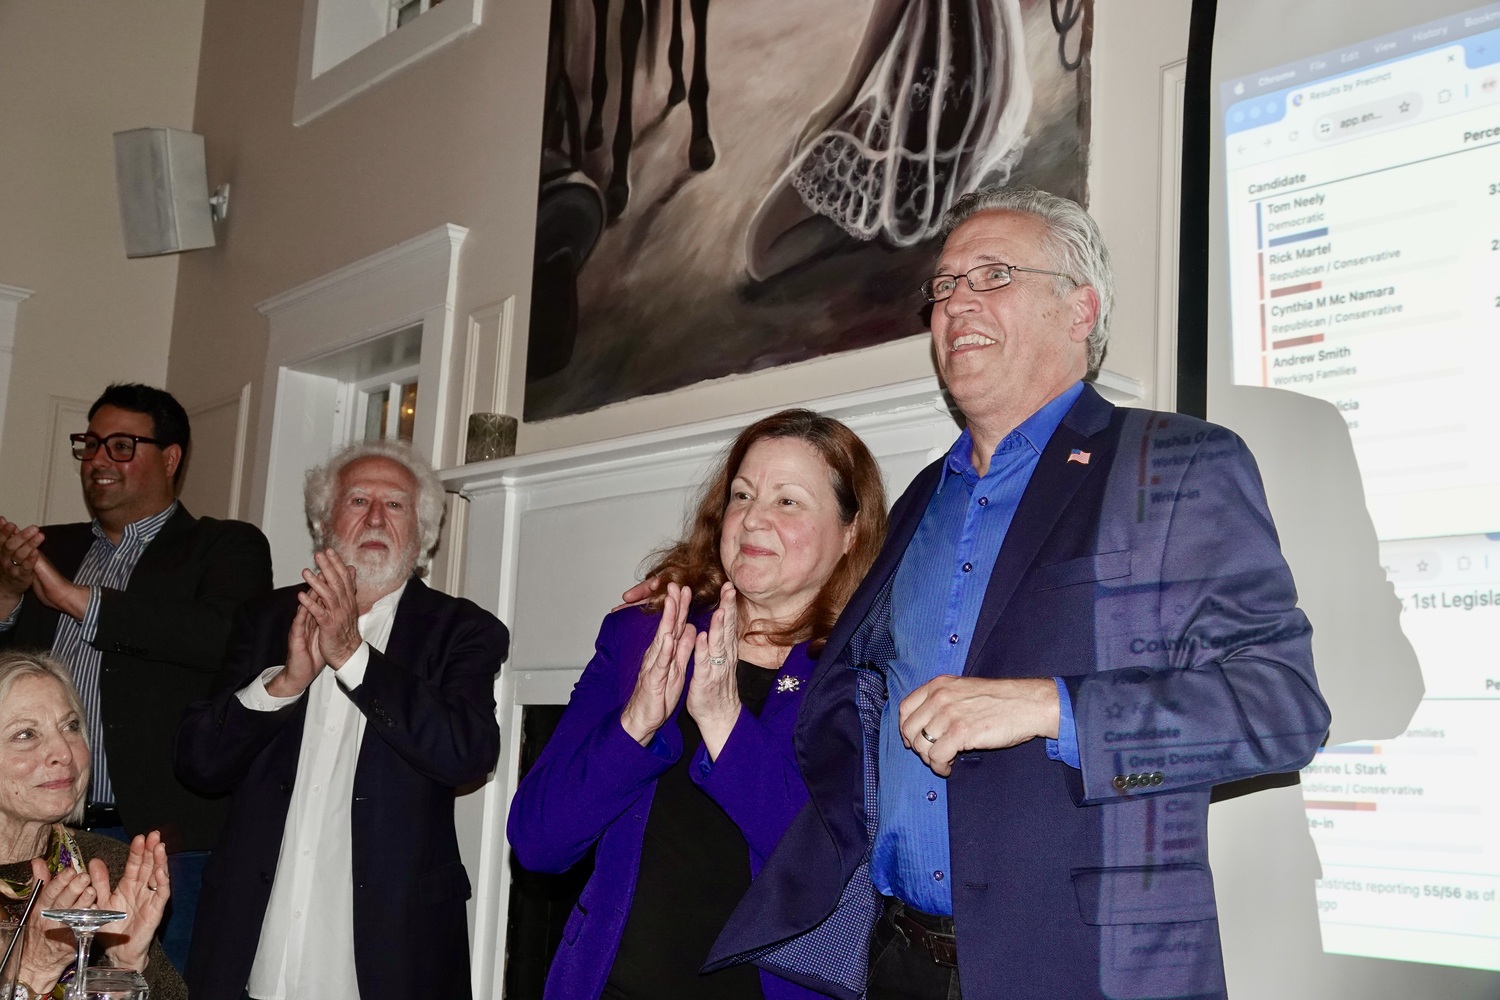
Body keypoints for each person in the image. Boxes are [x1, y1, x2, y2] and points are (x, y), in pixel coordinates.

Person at [706, 187, 1333, 1000]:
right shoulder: (922, 499)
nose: (956, 301)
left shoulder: (1175, 465)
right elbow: (849, 663)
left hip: (1079, 971)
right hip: (898, 962)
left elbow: (1281, 708)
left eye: (994, 275)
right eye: (944, 285)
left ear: (1080, 309)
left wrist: (1049, 707)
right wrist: (697, 585)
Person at [508, 409, 888, 1000]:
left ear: (851, 533)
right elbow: (538, 842)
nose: (754, 517)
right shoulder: (643, 636)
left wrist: (724, 723)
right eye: (743, 494)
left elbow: (829, 868)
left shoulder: (866, 674)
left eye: (788, 501)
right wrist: (634, 728)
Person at [175, 440, 509, 1000]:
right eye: (358, 500)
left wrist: (354, 657)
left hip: (390, 955)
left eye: (395, 504)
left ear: (423, 532)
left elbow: (468, 754)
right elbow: (199, 764)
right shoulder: (266, 618)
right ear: (323, 523)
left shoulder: (462, 630)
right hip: (253, 942)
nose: (376, 518)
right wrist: (285, 684)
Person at [0, 382, 274, 970]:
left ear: (170, 458)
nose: (98, 459)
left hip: (162, 842)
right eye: (91, 444)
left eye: (121, 446)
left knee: (146, 986)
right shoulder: (52, 546)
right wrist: (6, 596)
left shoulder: (222, 546)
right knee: (34, 978)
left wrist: (76, 599)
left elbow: (220, 638)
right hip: (44, 831)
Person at [0, 650, 184, 1000]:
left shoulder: (105, 866)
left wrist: (126, 968)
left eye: (70, 726)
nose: (64, 753)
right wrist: (33, 970)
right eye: (26, 734)